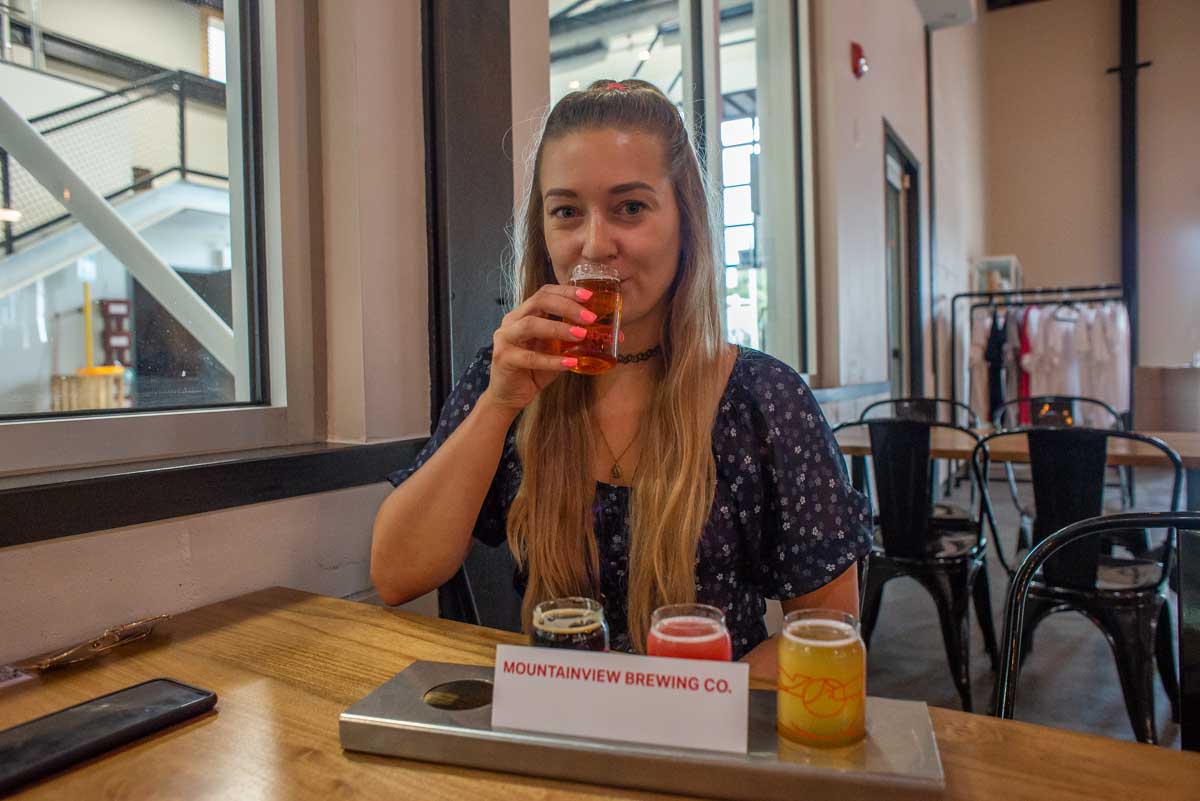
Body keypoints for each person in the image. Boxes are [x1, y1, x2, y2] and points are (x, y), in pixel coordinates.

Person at [371, 79, 872, 678]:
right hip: (556, 725)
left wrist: (655, 714)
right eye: (566, 212)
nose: (595, 243)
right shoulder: (508, 373)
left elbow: (828, 636)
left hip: (710, 737)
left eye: (629, 208)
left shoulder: (764, 397)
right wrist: (499, 404)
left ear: (684, 221)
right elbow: (397, 575)